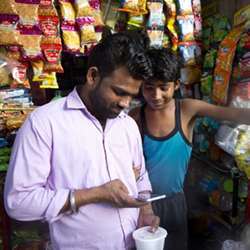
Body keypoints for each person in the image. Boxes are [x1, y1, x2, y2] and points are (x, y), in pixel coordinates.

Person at [4, 32, 160, 250]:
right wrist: (96, 194)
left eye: (133, 96)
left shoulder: (127, 125)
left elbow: (140, 176)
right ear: (93, 76)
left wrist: (145, 212)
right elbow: (19, 202)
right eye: (119, 92)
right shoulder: (45, 123)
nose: (126, 103)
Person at [129, 47, 250, 250]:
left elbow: (230, 114)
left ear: (176, 85)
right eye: (149, 88)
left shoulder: (187, 109)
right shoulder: (135, 116)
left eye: (163, 87)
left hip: (175, 202)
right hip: (141, 204)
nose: (156, 95)